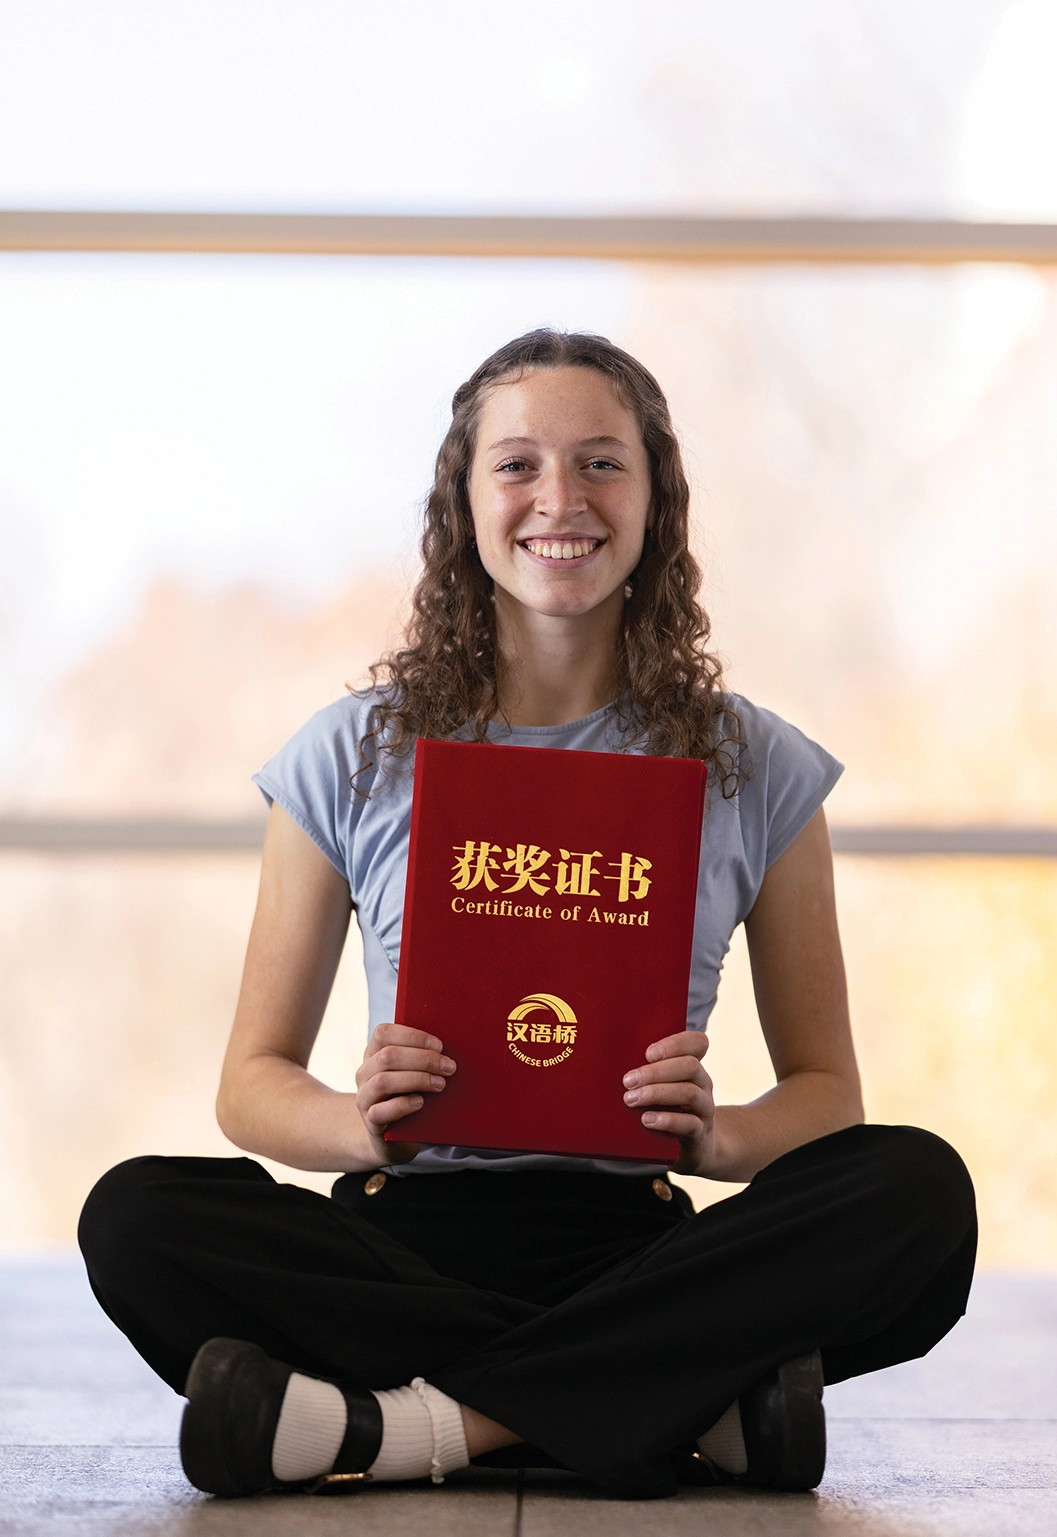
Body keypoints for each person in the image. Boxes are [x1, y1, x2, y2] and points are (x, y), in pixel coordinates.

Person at [78, 329, 977, 1502]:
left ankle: (403, 1426)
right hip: (402, 1235)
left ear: (656, 499)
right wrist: (360, 1123)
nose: (561, 498)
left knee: (919, 1193)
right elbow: (251, 1083)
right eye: (517, 465)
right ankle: (682, 1402)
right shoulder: (350, 754)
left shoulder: (754, 764)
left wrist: (717, 1139)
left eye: (602, 462)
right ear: (463, 501)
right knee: (134, 1216)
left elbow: (826, 1093)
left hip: (637, 1238)